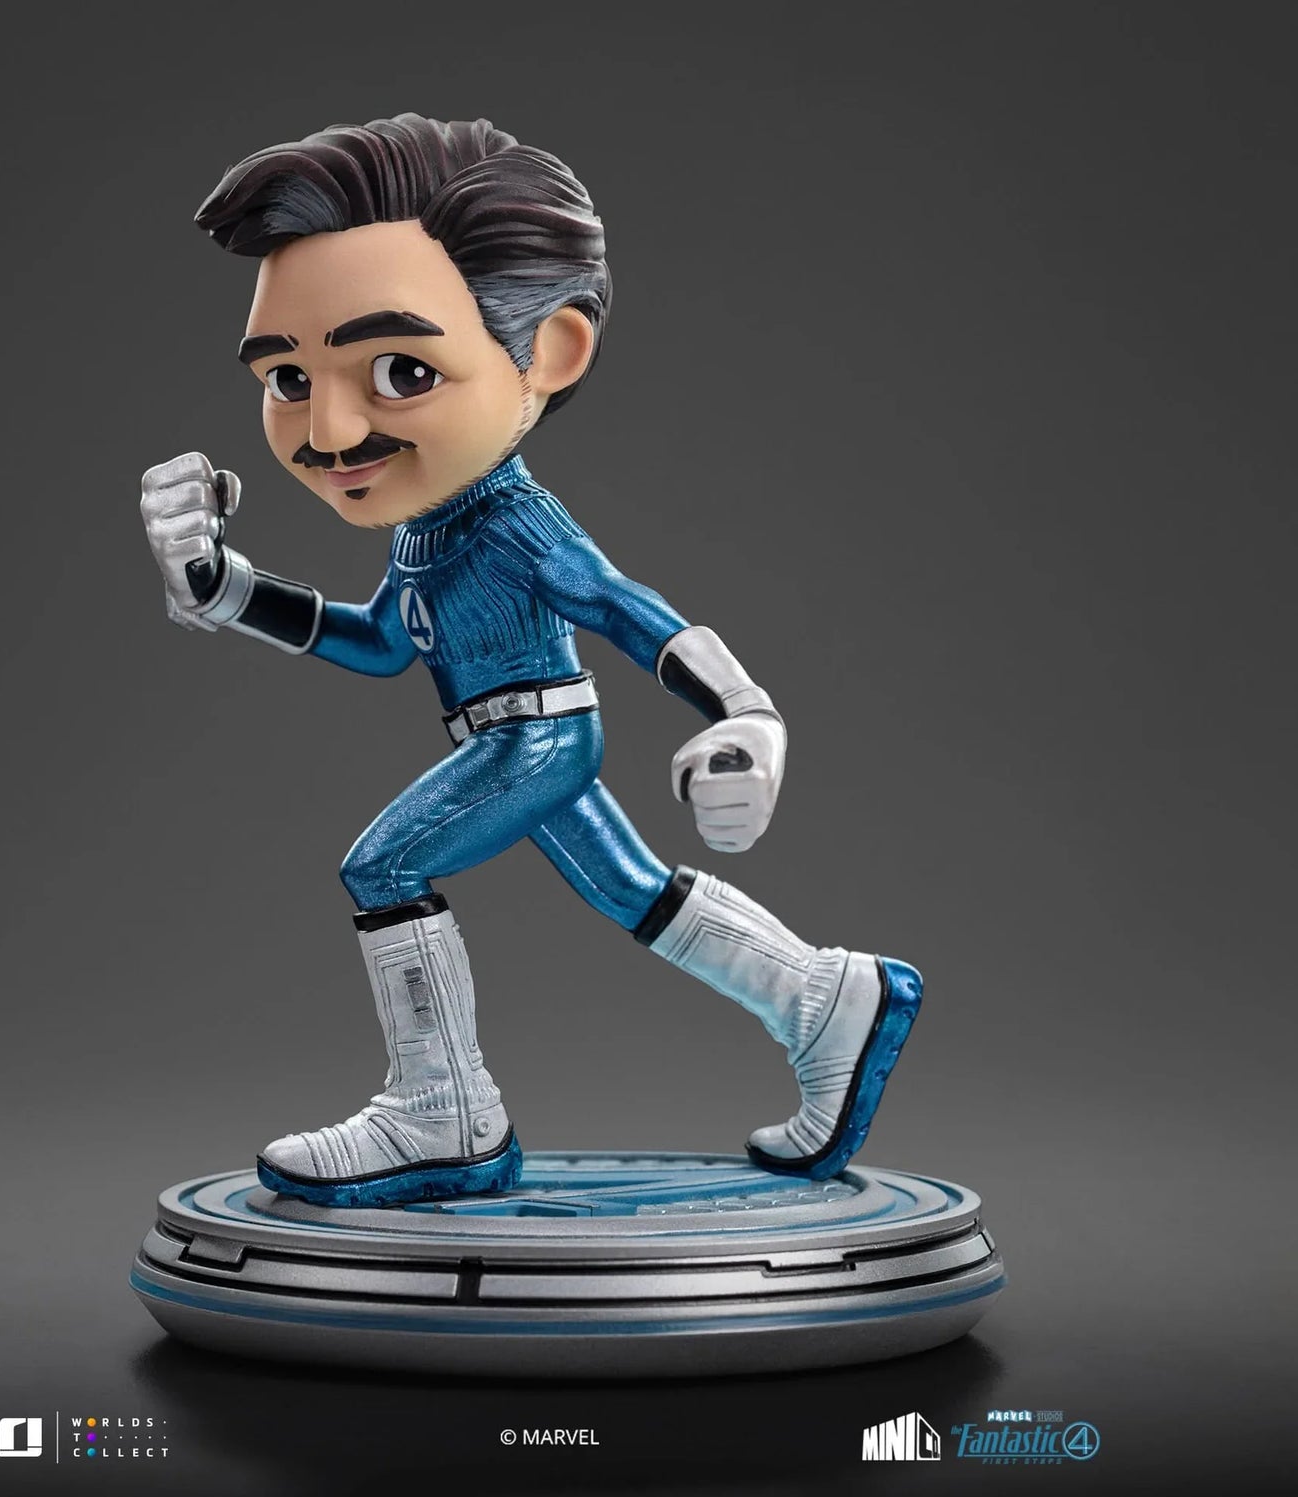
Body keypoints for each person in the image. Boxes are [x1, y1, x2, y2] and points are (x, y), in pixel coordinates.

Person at [138, 114, 921, 1208]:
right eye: (288, 380)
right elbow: (377, 645)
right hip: (523, 736)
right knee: (636, 894)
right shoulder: (431, 527)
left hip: (536, 738)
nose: (331, 430)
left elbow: (623, 606)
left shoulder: (512, 523)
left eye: (400, 370)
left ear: (548, 352)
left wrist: (743, 710)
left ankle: (445, 1112)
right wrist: (227, 589)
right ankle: (825, 999)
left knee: (384, 870)